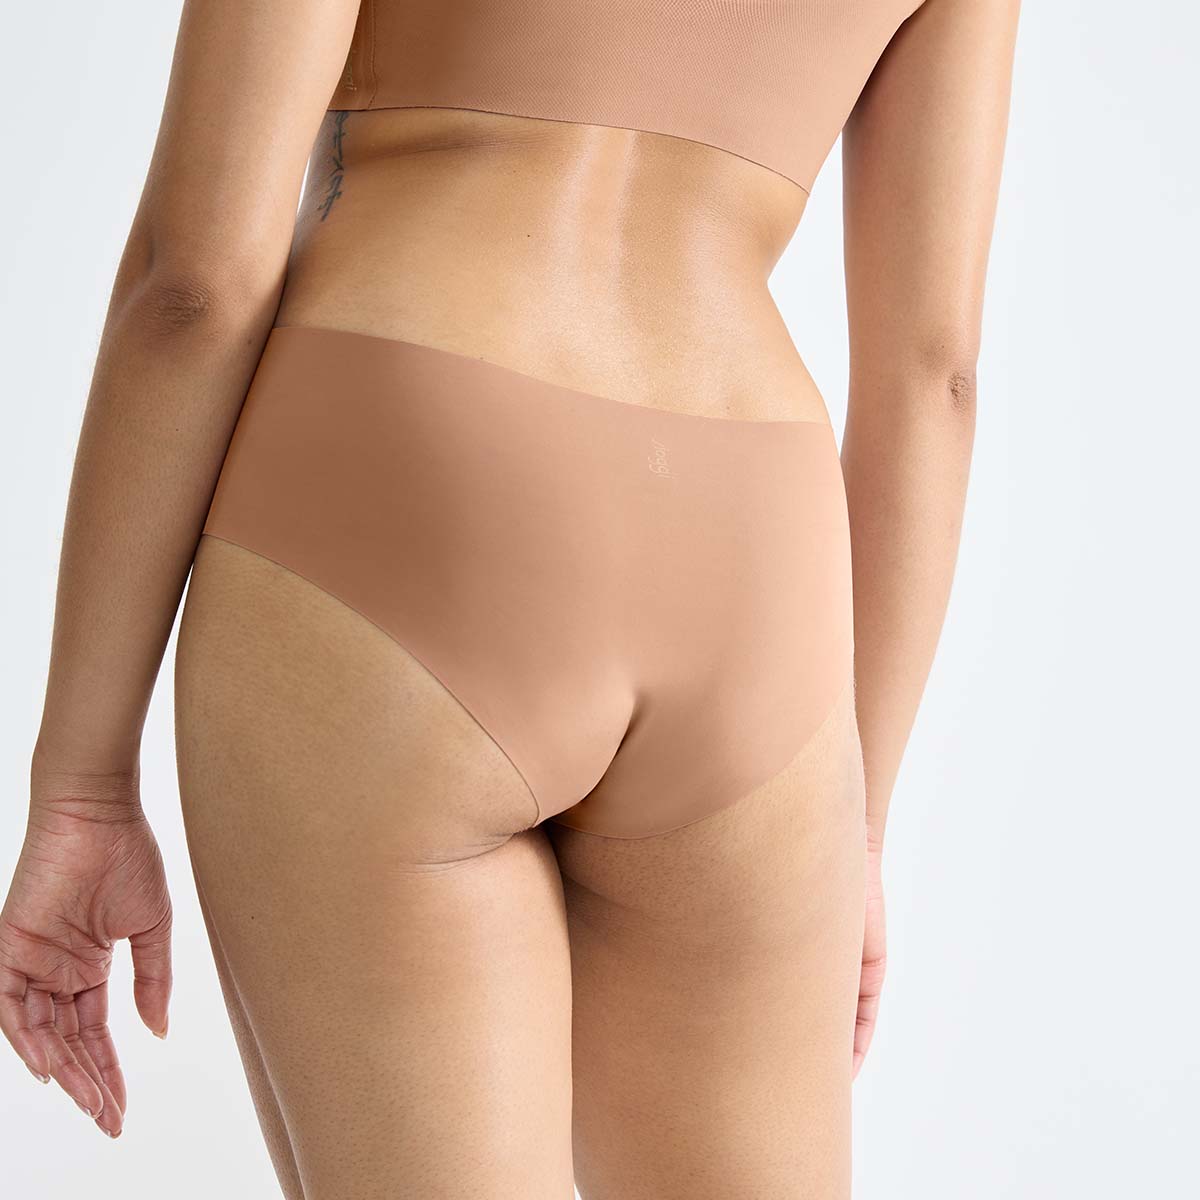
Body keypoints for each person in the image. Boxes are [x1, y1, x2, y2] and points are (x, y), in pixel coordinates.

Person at [0, 0, 1021, 1194]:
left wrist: (83, 788)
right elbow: (934, 377)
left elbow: (197, 281)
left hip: (407, 480)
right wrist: (854, 831)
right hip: (750, 546)